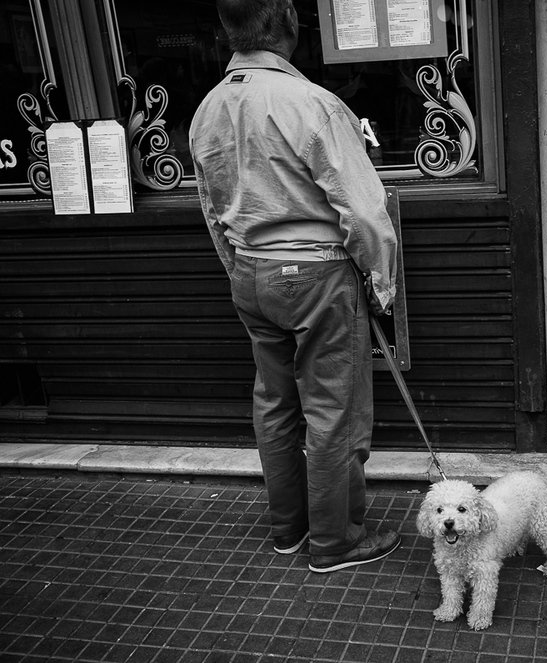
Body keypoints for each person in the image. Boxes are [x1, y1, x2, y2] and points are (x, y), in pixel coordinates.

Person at [189, 0, 400, 573]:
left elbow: (211, 207)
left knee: (276, 405)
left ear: (228, 31)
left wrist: (237, 269)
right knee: (334, 412)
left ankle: (290, 531)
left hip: (252, 273)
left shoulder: (207, 109)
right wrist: (381, 281)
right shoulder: (311, 102)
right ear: (289, 26)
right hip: (316, 273)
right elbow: (362, 206)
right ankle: (335, 544)